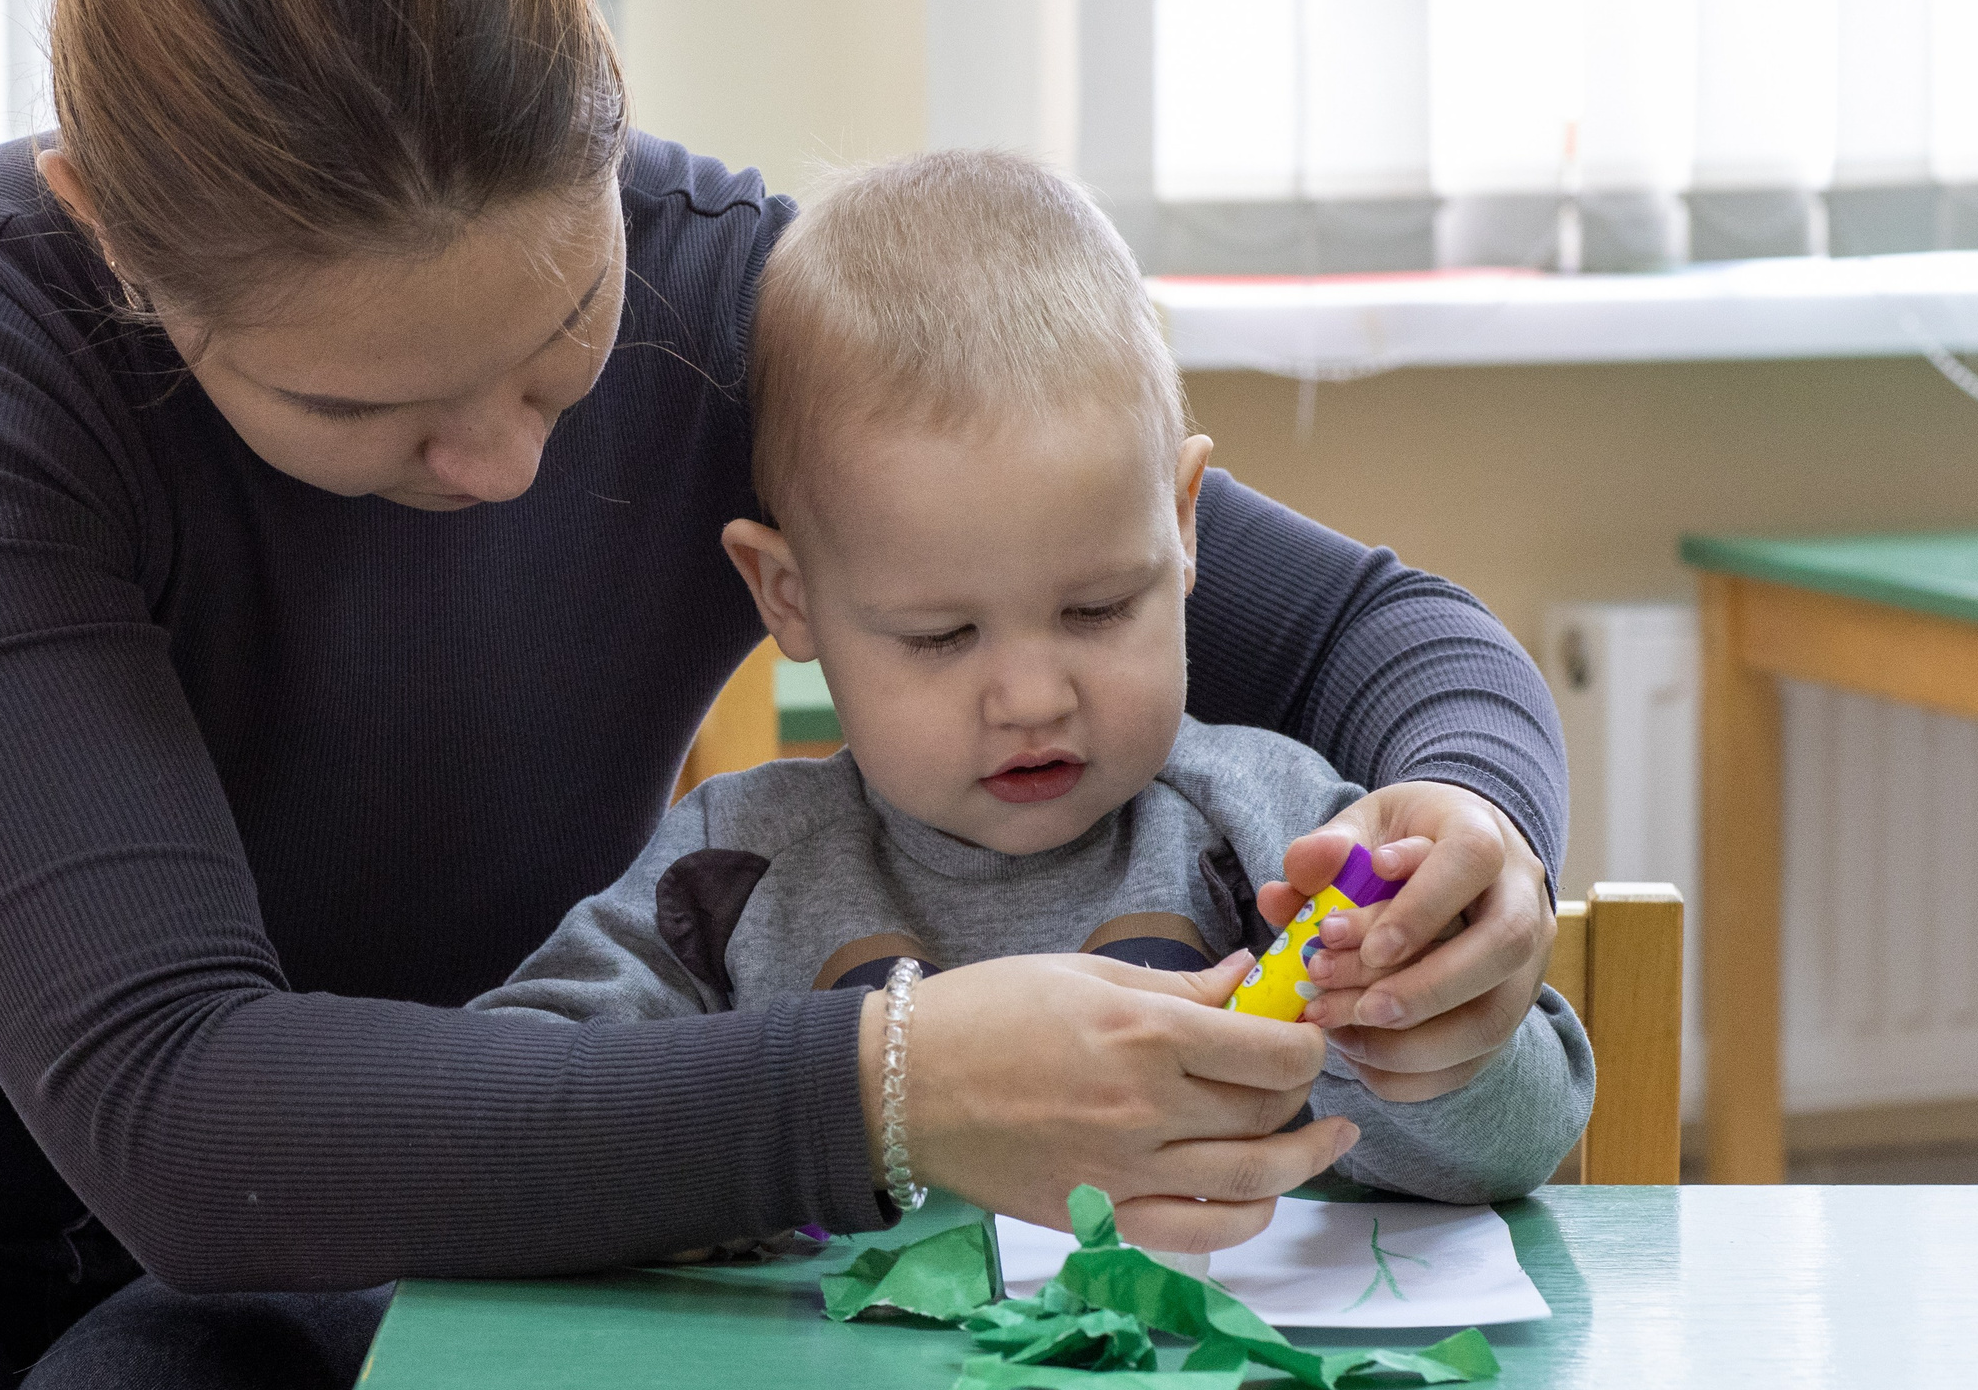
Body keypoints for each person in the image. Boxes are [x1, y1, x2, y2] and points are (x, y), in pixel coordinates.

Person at [0, 0, 1571, 1390]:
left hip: (480, 1156)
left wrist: (1466, 830)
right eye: (361, 411)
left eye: (560, 334)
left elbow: (1383, 633)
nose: (498, 457)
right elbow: (184, 1121)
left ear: (606, 96)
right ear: (116, 241)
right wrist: (885, 1079)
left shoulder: (735, 290)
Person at [475, 150, 1593, 1209]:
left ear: (1183, 524)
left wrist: (1398, 1031)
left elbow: (1521, 1139)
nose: (1030, 699)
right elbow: (511, 1092)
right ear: (789, 596)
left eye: (1097, 609)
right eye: (939, 633)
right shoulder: (732, 875)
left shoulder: (1277, 834)